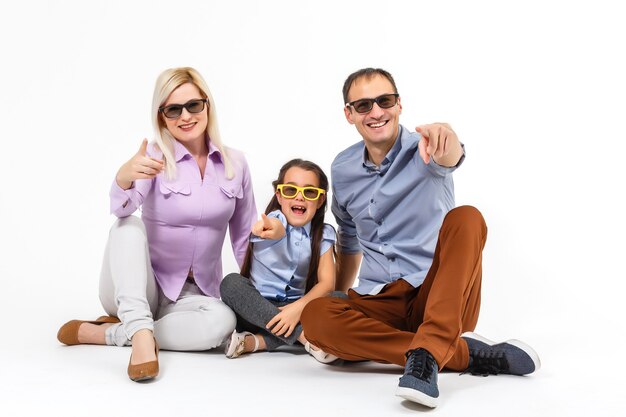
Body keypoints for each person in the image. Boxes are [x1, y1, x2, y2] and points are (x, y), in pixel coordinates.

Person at [300, 68, 540, 408]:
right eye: (364, 105)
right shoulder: (342, 167)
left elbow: (451, 155)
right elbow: (349, 236)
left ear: (399, 105)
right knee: (316, 317)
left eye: (384, 101)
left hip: (439, 295)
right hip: (380, 299)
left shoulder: (426, 148)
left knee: (467, 217)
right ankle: (459, 353)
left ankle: (430, 350)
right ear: (349, 114)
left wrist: (448, 138)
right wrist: (340, 295)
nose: (376, 112)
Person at [57, 67, 257, 382]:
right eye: (173, 109)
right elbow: (121, 208)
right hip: (138, 286)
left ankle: (115, 333)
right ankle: (139, 334)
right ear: (161, 115)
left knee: (222, 321)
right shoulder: (154, 156)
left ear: (207, 105)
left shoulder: (236, 164)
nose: (185, 116)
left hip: (195, 294)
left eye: (193, 105)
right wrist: (124, 176)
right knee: (128, 226)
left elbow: (244, 238)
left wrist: (260, 299)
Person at [220, 159, 337, 363]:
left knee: (340, 298)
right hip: (257, 311)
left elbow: (327, 283)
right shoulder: (276, 219)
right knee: (231, 283)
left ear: (320, 201)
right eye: (290, 190)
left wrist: (296, 309)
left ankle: (257, 342)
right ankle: (304, 338)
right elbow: (276, 226)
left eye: (309, 192)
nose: (299, 197)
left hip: (297, 309)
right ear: (279, 196)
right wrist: (270, 230)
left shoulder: (324, 234)